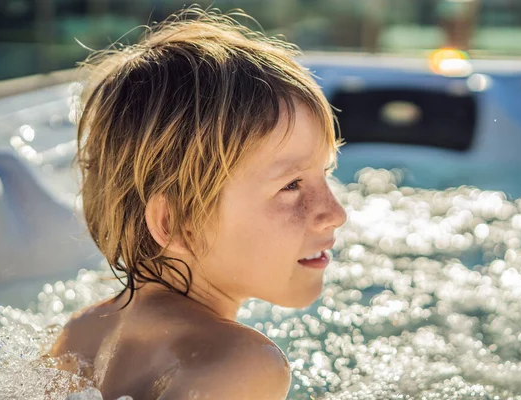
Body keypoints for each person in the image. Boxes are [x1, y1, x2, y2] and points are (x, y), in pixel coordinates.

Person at [49, 6, 347, 399]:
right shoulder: (241, 364)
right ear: (176, 222)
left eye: (325, 173)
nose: (335, 213)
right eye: (291, 185)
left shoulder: (81, 332)